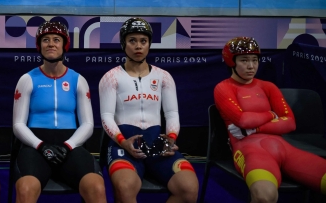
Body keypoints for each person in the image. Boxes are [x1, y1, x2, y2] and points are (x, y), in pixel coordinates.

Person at [214, 37, 326, 203]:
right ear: (232, 62)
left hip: (284, 148)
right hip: (249, 150)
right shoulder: (223, 87)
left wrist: (255, 129)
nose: (251, 66)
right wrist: (272, 115)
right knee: (264, 197)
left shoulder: (268, 86)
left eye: (254, 60)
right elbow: (243, 120)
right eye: (244, 61)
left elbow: (290, 123)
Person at [99, 18, 198, 203]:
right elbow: (106, 116)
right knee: (124, 187)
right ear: (123, 43)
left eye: (143, 41)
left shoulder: (163, 76)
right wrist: (122, 142)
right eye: (132, 40)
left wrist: (171, 139)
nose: (138, 46)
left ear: (149, 44)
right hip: (125, 145)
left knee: (189, 188)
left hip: (157, 144)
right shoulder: (110, 77)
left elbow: (172, 114)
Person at [13, 21, 106, 203]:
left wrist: (68, 146)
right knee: (25, 189)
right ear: (39, 46)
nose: (51, 44)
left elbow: (88, 124)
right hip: (35, 147)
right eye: (46, 40)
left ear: (65, 45)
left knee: (96, 187)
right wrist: (40, 145)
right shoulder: (27, 79)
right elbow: (18, 124)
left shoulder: (78, 80)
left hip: (70, 146)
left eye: (56, 39)